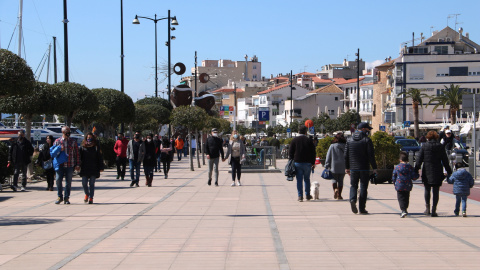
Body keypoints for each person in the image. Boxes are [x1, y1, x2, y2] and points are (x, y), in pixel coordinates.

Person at [414, 131, 452, 217]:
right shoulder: (440, 146)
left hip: (427, 170)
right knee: (436, 191)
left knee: (427, 190)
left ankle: (427, 209)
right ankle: (434, 210)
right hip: (437, 170)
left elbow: (419, 159)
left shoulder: (424, 146)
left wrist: (416, 169)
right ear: (436, 137)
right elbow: (445, 161)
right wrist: (449, 171)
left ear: (428, 138)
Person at [345, 122, 377, 214]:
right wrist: (374, 168)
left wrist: (347, 167)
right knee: (363, 187)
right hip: (364, 167)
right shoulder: (367, 140)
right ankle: (362, 208)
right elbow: (371, 155)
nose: (368, 131)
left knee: (353, 185)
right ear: (363, 129)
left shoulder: (349, 139)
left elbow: (346, 155)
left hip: (353, 168)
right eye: (368, 130)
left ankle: (352, 199)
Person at [53, 126, 81, 204]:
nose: (68, 133)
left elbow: (77, 154)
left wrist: (77, 164)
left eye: (69, 131)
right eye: (66, 131)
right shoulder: (57, 141)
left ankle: (66, 197)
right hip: (60, 165)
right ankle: (59, 196)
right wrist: (59, 150)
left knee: (68, 182)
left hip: (70, 164)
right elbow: (53, 154)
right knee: (58, 180)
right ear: (63, 132)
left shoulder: (73, 141)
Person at [289, 126, 316, 202]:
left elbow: (290, 152)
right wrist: (313, 162)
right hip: (307, 163)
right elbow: (313, 152)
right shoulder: (309, 140)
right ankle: (307, 195)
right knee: (307, 179)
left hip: (297, 162)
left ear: (298, 132)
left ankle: (300, 196)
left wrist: (291, 160)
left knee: (299, 180)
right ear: (305, 132)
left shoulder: (294, 140)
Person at [392, 151, 419, 218]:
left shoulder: (397, 167)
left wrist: (394, 182)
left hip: (399, 185)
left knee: (400, 198)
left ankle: (403, 210)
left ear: (400, 159)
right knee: (406, 197)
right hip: (407, 185)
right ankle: (405, 209)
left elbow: (394, 176)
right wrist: (417, 174)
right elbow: (414, 176)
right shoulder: (410, 167)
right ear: (407, 160)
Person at [79, 132, 104, 204]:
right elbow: (79, 157)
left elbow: (100, 157)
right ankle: (87, 193)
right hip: (84, 168)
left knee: (92, 184)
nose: (89, 139)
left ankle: (91, 198)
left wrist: (101, 167)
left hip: (94, 168)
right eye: (88, 137)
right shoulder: (83, 147)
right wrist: (77, 165)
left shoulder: (96, 147)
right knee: (84, 183)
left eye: (90, 137)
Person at [325, 132, 347, 200]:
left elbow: (328, 156)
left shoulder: (332, 146)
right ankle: (339, 195)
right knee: (341, 180)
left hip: (333, 165)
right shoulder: (345, 146)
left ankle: (335, 190)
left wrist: (327, 165)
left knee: (334, 179)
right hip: (343, 165)